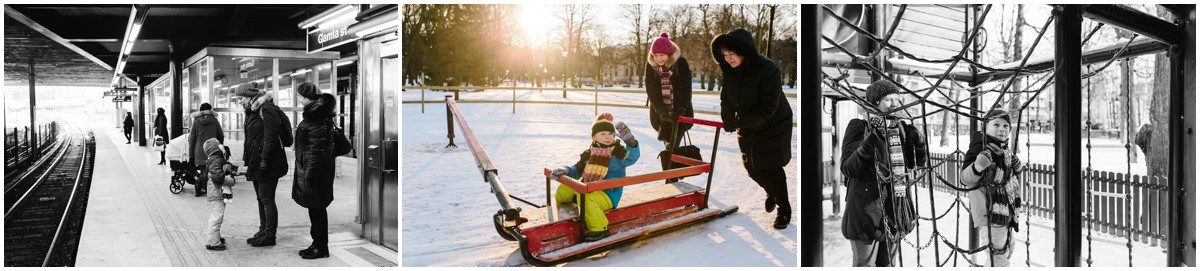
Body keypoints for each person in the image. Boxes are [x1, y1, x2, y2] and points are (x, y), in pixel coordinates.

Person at [710, 28, 794, 229]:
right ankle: (771, 192)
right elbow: (726, 98)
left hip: (774, 124)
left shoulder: (768, 69)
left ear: (743, 52)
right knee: (752, 168)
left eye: (731, 54)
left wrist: (743, 122)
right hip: (746, 124)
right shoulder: (729, 70)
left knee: (772, 167)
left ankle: (784, 210)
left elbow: (769, 105)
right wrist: (728, 118)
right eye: (724, 55)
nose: (728, 59)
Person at [838, 80, 925, 267]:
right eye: (888, 100)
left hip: (895, 208)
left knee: (888, 265)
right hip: (866, 211)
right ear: (875, 102)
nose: (895, 105)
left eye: (897, 100)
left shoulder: (901, 129)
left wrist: (920, 144)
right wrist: (870, 141)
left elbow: (915, 165)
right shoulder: (859, 127)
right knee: (865, 265)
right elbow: (848, 168)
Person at [548, 113, 640, 242]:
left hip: (608, 194)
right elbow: (577, 169)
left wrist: (631, 143)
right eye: (603, 134)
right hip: (589, 189)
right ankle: (566, 212)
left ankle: (600, 228)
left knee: (585, 197)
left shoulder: (618, 153)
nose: (607, 137)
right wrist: (565, 170)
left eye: (610, 134)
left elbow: (631, 158)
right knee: (565, 188)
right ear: (594, 137)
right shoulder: (589, 153)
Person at [959, 109, 1024, 267]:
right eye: (996, 124)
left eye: (1006, 126)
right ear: (985, 127)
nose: (1002, 129)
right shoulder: (980, 149)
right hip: (990, 212)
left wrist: (1017, 169)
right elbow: (965, 179)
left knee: (1008, 249)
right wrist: (977, 167)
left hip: (1006, 211)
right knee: (998, 255)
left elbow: (1010, 180)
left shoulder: (1005, 151)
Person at [236, 83, 292, 247]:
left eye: (241, 98)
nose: (239, 101)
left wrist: (265, 161)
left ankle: (269, 235)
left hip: (267, 162)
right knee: (261, 198)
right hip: (256, 162)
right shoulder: (252, 112)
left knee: (267, 199)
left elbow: (270, 137)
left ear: (249, 96)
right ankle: (262, 231)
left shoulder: (266, 109)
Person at [291, 82, 337, 259]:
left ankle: (320, 248)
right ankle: (316, 244)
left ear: (309, 97)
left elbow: (317, 151)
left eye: (301, 96)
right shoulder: (316, 114)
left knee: (317, 211)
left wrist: (311, 175)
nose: (299, 99)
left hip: (316, 173)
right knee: (315, 210)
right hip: (313, 170)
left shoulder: (315, 118)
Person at [644, 32, 694, 184]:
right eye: (656, 55)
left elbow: (686, 88)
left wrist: (680, 108)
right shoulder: (651, 66)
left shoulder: (681, 63)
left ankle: (670, 180)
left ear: (670, 53)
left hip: (680, 113)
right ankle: (673, 176)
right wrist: (661, 111)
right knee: (669, 145)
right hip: (661, 115)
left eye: (662, 55)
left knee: (672, 146)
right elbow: (651, 90)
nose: (659, 59)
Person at [202, 138, 236, 251]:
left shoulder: (216, 159)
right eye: (219, 144)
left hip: (216, 193)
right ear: (215, 148)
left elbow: (225, 168)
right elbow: (218, 178)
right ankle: (212, 242)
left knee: (217, 217)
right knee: (216, 217)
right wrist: (230, 180)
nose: (222, 146)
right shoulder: (216, 160)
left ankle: (215, 237)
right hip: (216, 193)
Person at [189, 103, 224, 197]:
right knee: (212, 170)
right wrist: (220, 145)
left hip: (200, 150)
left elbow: (192, 138)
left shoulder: (196, 121)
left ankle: (199, 186)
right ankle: (206, 188)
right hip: (213, 149)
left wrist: (191, 153)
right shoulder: (214, 120)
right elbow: (221, 135)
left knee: (204, 170)